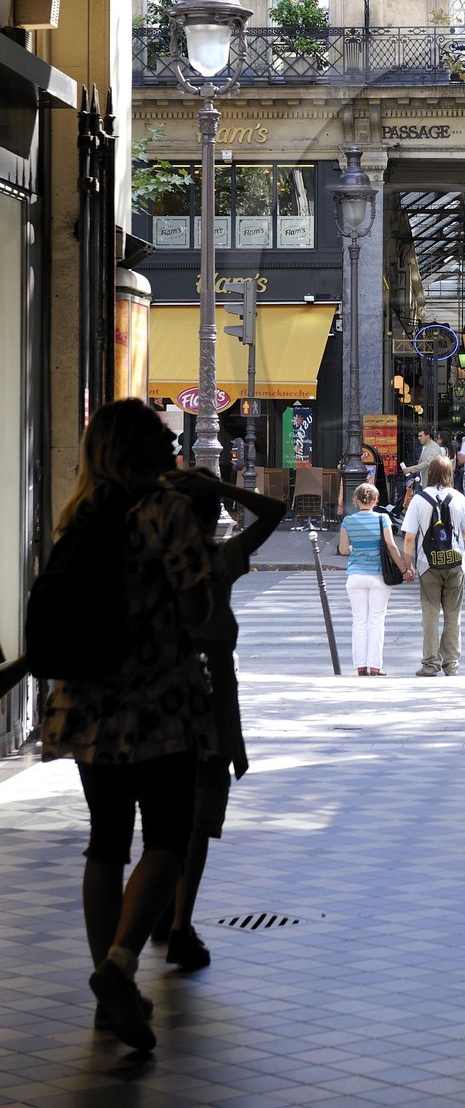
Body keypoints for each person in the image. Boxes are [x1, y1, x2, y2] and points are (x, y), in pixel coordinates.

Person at [38, 399, 219, 1051]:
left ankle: (105, 992)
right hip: (158, 704)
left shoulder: (78, 514)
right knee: (168, 837)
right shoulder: (164, 512)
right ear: (148, 452)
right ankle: (119, 965)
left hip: (86, 702)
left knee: (106, 841)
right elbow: (201, 608)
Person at [151, 468, 285, 971]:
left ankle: (163, 912)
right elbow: (275, 511)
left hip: (161, 702)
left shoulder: (154, 560)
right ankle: (180, 922)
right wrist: (223, 488)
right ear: (212, 517)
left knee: (163, 814)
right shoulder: (218, 558)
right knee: (199, 817)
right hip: (210, 701)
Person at [402, 455, 465, 677]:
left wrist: (408, 566)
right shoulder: (459, 498)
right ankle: (451, 664)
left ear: (430, 473)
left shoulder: (418, 499)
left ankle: (430, 664)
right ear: (449, 474)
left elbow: (409, 538)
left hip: (427, 564)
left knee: (430, 614)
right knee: (453, 615)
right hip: (456, 564)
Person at [338, 481, 412, 676]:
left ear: (356, 500)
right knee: (377, 620)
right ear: (376, 500)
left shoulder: (348, 521)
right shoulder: (383, 519)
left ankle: (360, 665)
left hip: (355, 576)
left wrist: (356, 548)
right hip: (378, 575)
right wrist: (404, 569)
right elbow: (391, 546)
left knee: (359, 620)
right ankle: (375, 665)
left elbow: (343, 550)